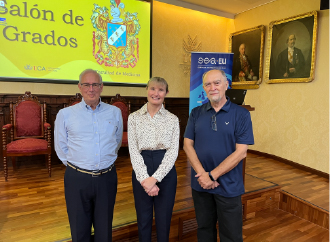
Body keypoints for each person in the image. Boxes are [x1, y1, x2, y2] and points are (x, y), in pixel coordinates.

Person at [183, 69, 254, 242]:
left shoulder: (241, 114)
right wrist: (203, 175)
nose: (212, 87)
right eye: (208, 84)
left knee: (231, 234)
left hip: (229, 185)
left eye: (217, 83)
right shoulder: (196, 113)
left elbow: (241, 152)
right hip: (201, 184)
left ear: (226, 85)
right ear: (204, 88)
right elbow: (187, 145)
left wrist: (212, 175)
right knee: (205, 229)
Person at [54, 69, 123, 242]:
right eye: (86, 84)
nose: (91, 89)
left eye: (95, 84)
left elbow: (116, 141)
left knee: (104, 230)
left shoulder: (114, 112)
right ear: (80, 87)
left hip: (106, 178)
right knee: (79, 230)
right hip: (77, 179)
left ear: (102, 87)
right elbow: (61, 147)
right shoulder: (65, 114)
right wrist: (79, 165)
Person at [128, 77, 180, 242]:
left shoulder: (172, 119)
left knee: (164, 218)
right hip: (141, 167)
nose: (156, 93)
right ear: (146, 89)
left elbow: (173, 151)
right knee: (143, 217)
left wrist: (156, 178)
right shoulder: (134, 117)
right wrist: (145, 178)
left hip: (165, 168)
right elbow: (133, 150)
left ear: (166, 93)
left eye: (160, 90)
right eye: (153, 89)